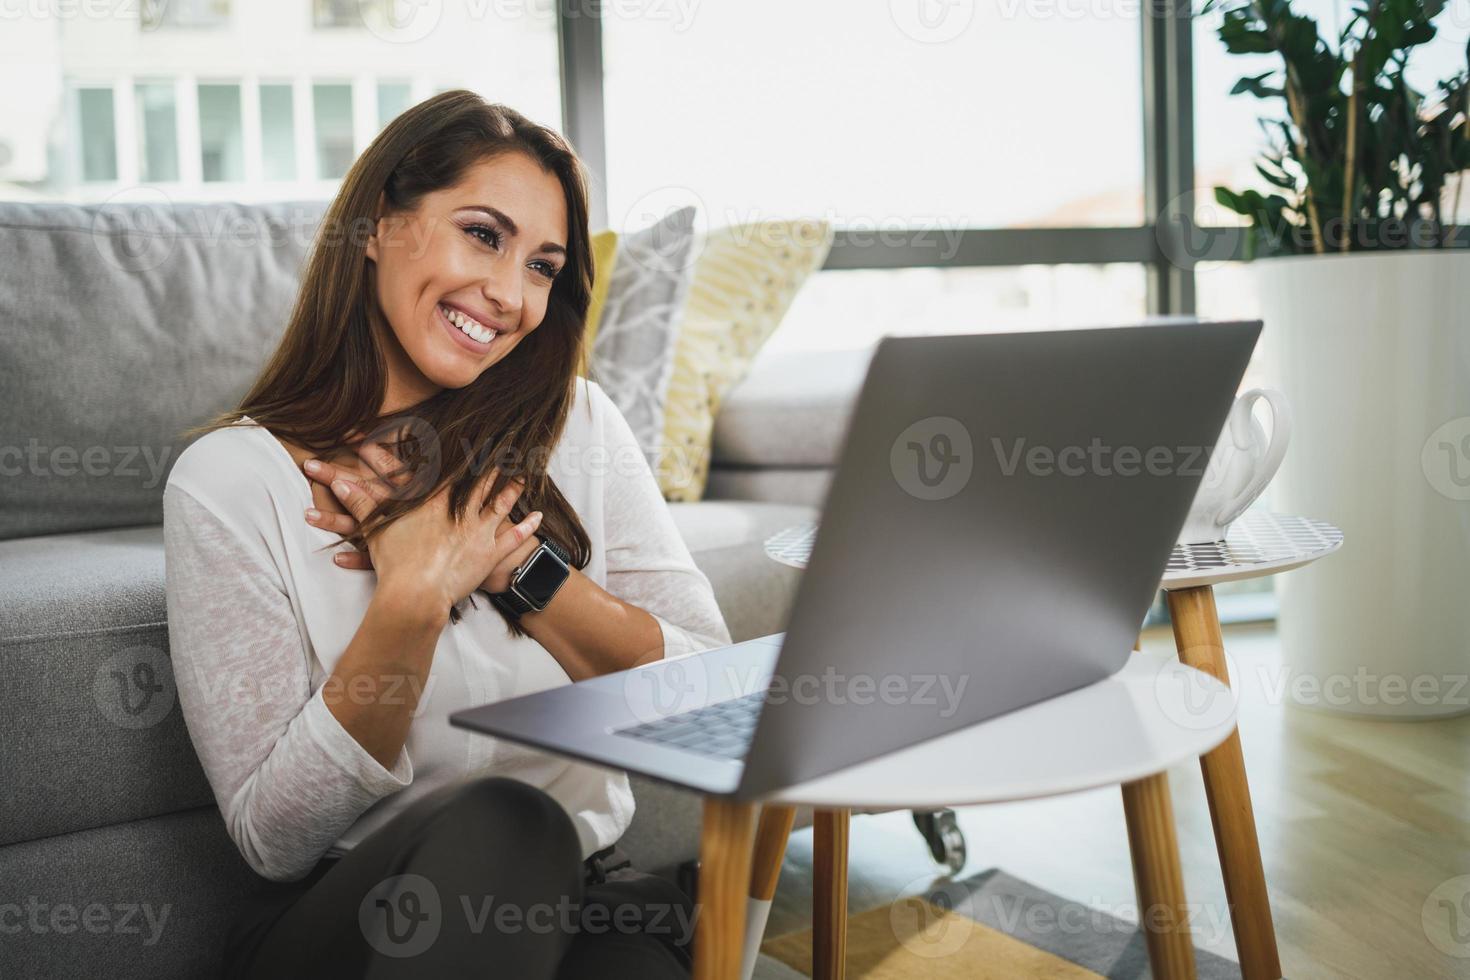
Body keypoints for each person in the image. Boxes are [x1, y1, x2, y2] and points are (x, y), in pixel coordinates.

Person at [161, 89, 731, 979]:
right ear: (381, 224)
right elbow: (274, 839)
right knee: (508, 818)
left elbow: (712, 702)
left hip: (581, 901)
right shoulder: (232, 482)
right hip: (355, 922)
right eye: (484, 234)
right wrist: (415, 595)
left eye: (544, 267)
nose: (509, 295)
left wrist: (517, 567)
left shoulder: (578, 426)